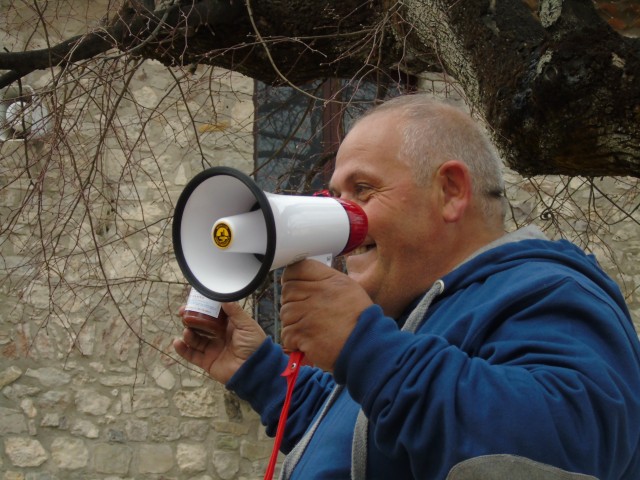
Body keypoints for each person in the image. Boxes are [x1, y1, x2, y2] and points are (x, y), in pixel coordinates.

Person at [173, 95, 640, 480]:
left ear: (451, 191)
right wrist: (259, 370)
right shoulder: (410, 324)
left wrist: (363, 346)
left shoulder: (548, 291)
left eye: (363, 189)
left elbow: (566, 448)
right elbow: (369, 436)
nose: (341, 217)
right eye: (336, 195)